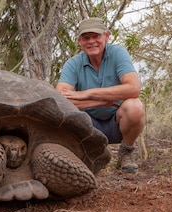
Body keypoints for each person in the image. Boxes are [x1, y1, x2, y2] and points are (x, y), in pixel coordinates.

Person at [56, 17, 145, 173]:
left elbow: (133, 89)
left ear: (106, 36)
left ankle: (127, 151)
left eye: (96, 36)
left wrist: (87, 93)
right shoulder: (73, 63)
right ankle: (84, 156)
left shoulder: (118, 53)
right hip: (88, 125)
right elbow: (60, 100)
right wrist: (101, 102)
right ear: (79, 41)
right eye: (86, 38)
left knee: (135, 106)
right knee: (63, 114)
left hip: (117, 122)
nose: (91, 41)